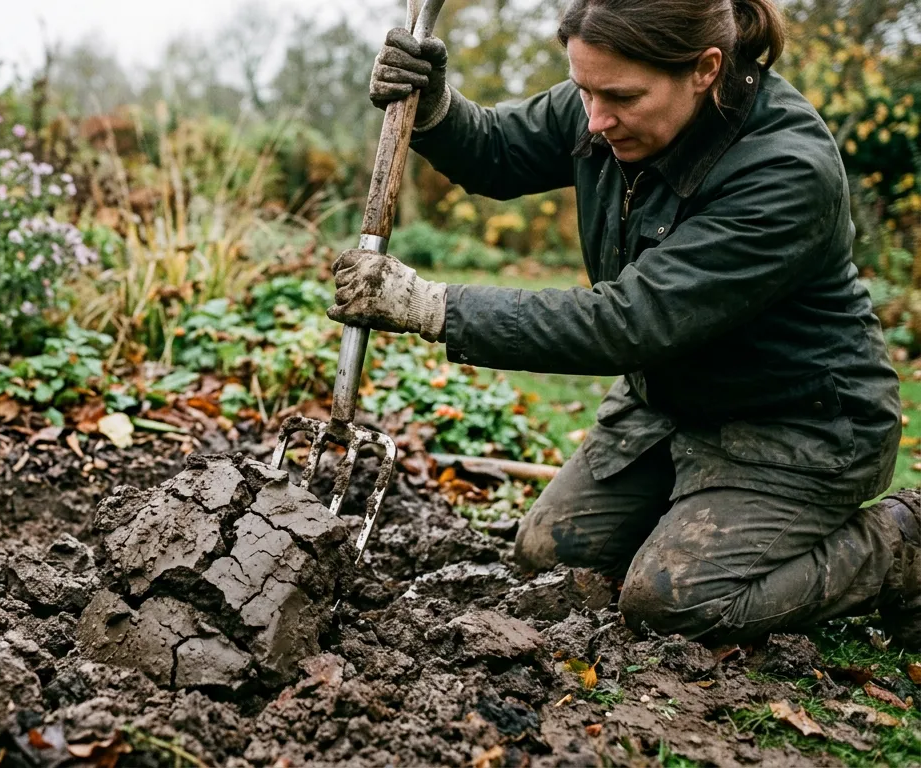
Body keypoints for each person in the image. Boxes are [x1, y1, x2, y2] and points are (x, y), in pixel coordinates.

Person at [334, 0, 920, 646]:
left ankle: (897, 542)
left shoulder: (786, 170)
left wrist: (434, 307)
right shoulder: (605, 98)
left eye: (619, 97)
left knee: (671, 602)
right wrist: (436, 107)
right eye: (583, 89)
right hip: (672, 401)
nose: (595, 119)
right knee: (547, 550)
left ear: (705, 69)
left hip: (800, 422)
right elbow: (496, 152)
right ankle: (700, 519)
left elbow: (628, 322)